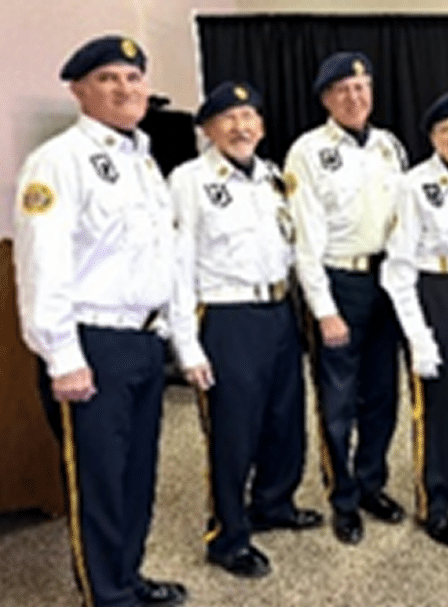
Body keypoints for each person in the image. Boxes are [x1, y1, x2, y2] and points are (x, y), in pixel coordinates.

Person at [13, 35, 188, 607]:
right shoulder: (58, 161)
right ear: (79, 89)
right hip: (90, 344)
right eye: (109, 78)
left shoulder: (143, 161)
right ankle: (106, 595)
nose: (125, 88)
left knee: (137, 477)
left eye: (134, 78)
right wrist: (63, 356)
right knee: (98, 484)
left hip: (141, 340)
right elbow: (43, 264)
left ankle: (129, 577)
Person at [168, 81, 323, 579]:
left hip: (278, 310)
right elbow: (178, 262)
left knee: (285, 420)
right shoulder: (188, 181)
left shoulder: (274, 178)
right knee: (233, 433)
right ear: (209, 129)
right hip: (226, 315)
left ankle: (274, 503)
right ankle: (228, 535)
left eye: (249, 117)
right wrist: (187, 345)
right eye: (228, 119)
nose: (241, 127)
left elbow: (295, 247)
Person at [284, 51, 408, 545]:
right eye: (343, 90)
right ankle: (343, 497)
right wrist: (325, 309)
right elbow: (305, 242)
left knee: (382, 395)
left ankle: (372, 484)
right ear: (326, 99)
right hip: (339, 283)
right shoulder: (308, 152)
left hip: (386, 280)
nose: (354, 98)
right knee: (337, 400)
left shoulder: (389, 145)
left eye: (362, 88)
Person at [380, 89, 448, 547]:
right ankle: (434, 501)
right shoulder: (413, 185)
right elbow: (398, 267)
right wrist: (418, 335)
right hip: (432, 292)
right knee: (435, 404)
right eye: (446, 130)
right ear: (432, 137)